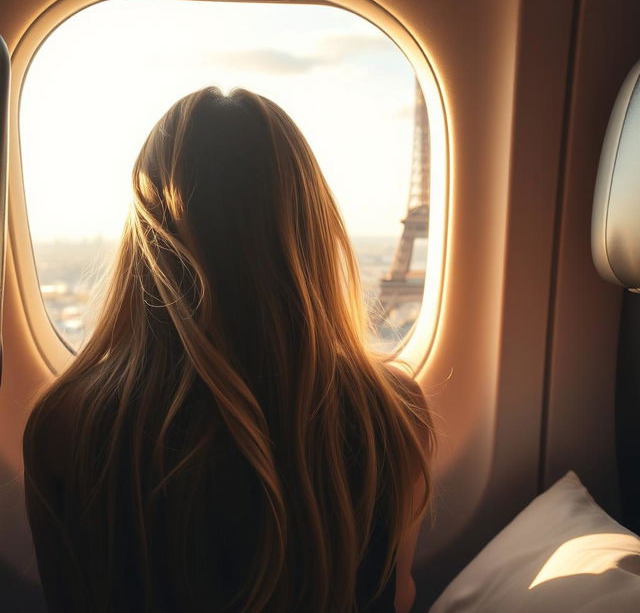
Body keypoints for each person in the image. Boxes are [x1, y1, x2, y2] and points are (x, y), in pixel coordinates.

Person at [23, 87, 435, 613]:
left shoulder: (64, 424)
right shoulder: (395, 412)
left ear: (145, 239)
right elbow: (398, 596)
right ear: (310, 226)